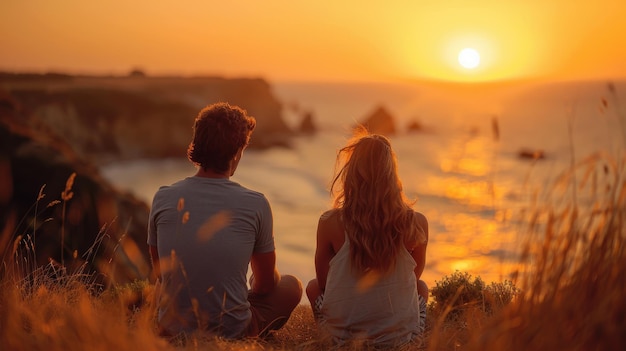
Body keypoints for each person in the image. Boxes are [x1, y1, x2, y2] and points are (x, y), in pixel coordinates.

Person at [147, 102, 302, 340]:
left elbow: (161, 273)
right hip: (231, 332)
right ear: (237, 151)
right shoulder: (256, 203)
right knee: (292, 286)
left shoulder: (163, 197)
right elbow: (264, 287)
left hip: (171, 331)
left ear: (197, 144)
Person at [306, 127, 429, 347]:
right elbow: (414, 277)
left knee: (313, 287)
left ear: (351, 173)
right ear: (392, 175)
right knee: (422, 288)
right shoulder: (416, 223)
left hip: (341, 340)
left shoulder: (329, 222)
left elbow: (324, 282)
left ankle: (330, 341)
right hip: (400, 341)